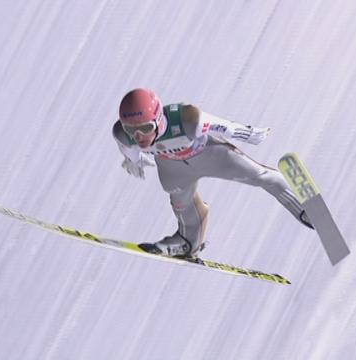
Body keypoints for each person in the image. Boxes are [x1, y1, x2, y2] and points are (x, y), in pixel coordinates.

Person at [112, 88, 313, 258]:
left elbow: (224, 127)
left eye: (145, 128)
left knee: (258, 176)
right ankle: (188, 242)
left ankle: (304, 206)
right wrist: (135, 161)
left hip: (209, 155)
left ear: (158, 119)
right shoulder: (123, 135)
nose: (139, 137)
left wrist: (248, 133)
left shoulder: (186, 120)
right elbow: (129, 150)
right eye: (131, 129)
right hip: (173, 167)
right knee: (181, 204)